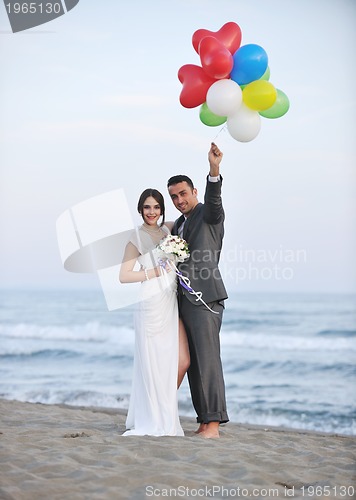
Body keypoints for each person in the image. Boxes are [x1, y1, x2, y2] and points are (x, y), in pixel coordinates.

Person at [167, 142, 229, 439]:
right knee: (193, 364)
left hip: (205, 299)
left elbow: (214, 202)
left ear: (193, 192)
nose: (179, 200)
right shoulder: (179, 223)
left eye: (182, 193)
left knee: (208, 360)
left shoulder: (207, 213)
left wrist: (214, 170)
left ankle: (214, 426)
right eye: (174, 196)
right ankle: (203, 422)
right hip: (183, 300)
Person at [119, 188, 189, 436]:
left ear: (162, 210)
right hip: (149, 302)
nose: (152, 212)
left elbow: (188, 218)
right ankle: (153, 416)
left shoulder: (168, 231)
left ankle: (164, 412)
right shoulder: (135, 238)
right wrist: (153, 272)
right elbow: (124, 276)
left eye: (156, 207)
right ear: (140, 209)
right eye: (147, 207)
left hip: (169, 303)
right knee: (152, 363)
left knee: (177, 361)